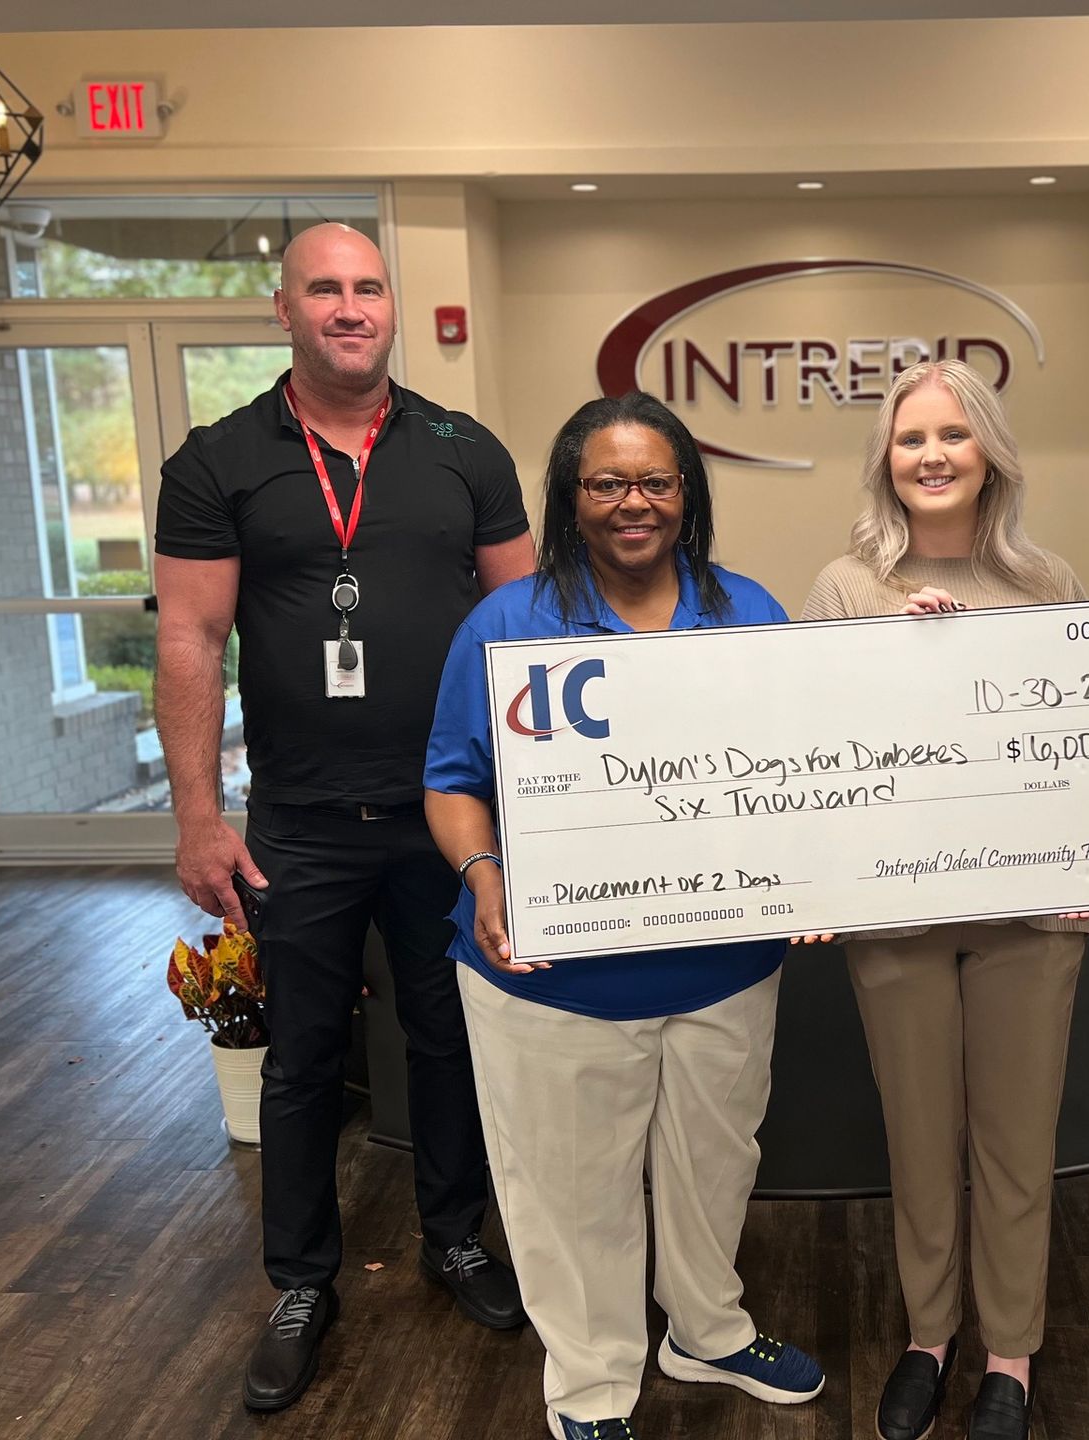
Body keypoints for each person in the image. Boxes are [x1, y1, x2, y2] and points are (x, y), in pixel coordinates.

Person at [155, 223, 537, 1414]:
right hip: (302, 822)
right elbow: (189, 640)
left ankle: (456, 1235)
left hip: (448, 809)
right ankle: (302, 1280)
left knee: (450, 1038)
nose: (350, 305)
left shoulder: (463, 450)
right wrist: (199, 817)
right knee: (303, 1059)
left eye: (368, 286)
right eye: (325, 287)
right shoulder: (218, 461)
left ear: (392, 309)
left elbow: (525, 629)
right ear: (284, 311)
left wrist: (537, 812)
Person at [423, 391, 825, 1440]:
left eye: (655, 480)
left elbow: (802, 777)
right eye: (607, 482)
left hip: (724, 966)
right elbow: (452, 781)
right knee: (570, 1193)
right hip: (552, 977)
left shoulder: (749, 614)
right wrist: (484, 877)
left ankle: (707, 1329)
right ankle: (593, 1387)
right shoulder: (507, 625)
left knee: (715, 1168)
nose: (632, 502)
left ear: (688, 494)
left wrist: (819, 877)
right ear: (570, 498)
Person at [799, 359, 1089, 1440]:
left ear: (990, 456)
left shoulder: (1050, 581)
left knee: (1016, 1145)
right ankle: (930, 1340)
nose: (931, 456)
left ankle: (1009, 1357)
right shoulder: (844, 587)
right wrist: (901, 661)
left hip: (1031, 912)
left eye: (953, 436)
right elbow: (816, 752)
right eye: (910, 437)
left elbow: (1078, 749)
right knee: (919, 1140)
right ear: (886, 457)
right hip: (897, 913)